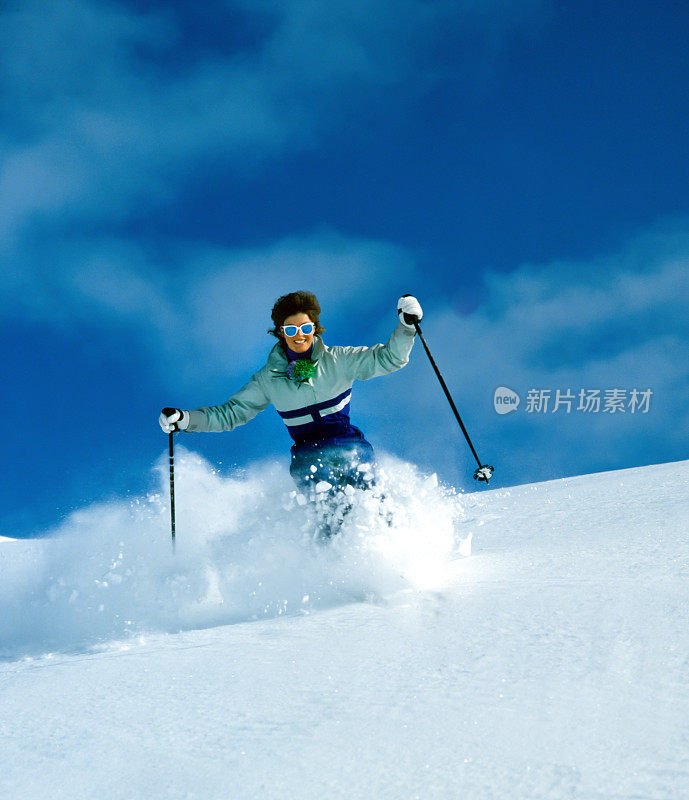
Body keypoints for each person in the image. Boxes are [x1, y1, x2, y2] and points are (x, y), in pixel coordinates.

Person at [159, 291, 423, 535]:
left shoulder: (339, 360)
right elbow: (232, 413)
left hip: (349, 447)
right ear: (280, 333)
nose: (300, 335)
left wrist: (406, 327)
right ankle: (334, 563)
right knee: (329, 513)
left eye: (306, 328)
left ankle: (393, 545)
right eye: (291, 329)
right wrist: (186, 419)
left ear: (315, 329)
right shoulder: (268, 379)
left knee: (372, 502)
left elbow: (389, 358)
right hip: (309, 457)